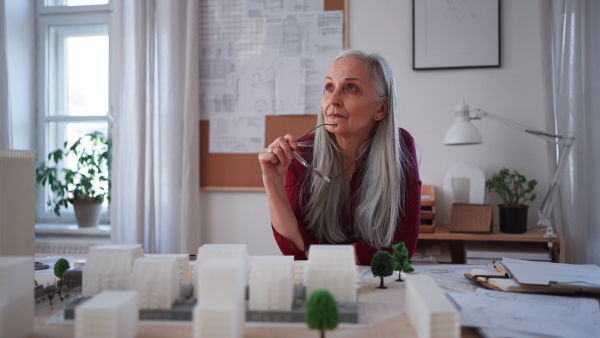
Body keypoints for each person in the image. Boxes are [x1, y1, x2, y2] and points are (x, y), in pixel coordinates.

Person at [258, 49, 421, 265]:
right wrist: (272, 182)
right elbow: (296, 251)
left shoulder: (399, 146)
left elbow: (401, 251)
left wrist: (320, 253)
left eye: (350, 88)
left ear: (381, 108)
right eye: (329, 87)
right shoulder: (302, 152)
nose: (333, 100)